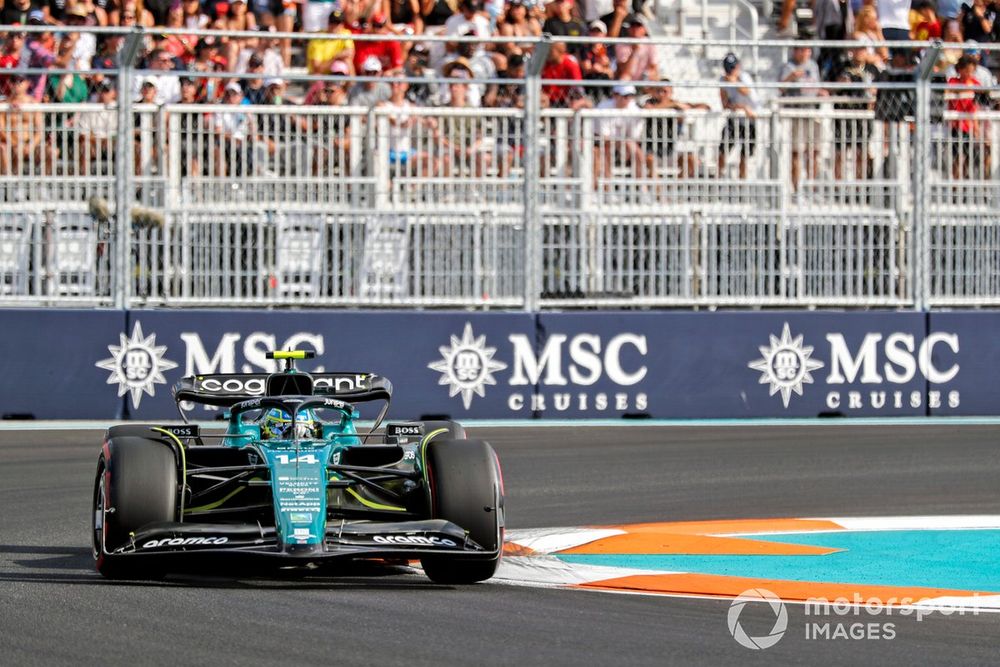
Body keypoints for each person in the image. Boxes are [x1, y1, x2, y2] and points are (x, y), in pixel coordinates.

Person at [779, 44, 826, 190]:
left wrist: (821, 92)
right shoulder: (789, 66)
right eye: (803, 49)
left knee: (814, 151)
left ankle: (811, 187)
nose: (806, 53)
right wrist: (791, 77)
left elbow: (815, 86)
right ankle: (796, 188)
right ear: (795, 51)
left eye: (808, 50)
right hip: (797, 113)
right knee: (797, 152)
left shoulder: (813, 66)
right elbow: (780, 87)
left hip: (813, 112)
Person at [643, 79, 709, 178]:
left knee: (693, 160)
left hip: (672, 149)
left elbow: (705, 107)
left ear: (671, 92)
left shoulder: (676, 104)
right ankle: (658, 187)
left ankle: (675, 185)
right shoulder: (650, 102)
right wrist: (673, 105)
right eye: (658, 91)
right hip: (652, 150)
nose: (661, 94)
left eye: (665, 91)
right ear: (654, 92)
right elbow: (649, 109)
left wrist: (686, 107)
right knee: (650, 160)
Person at [834, 48, 876, 181]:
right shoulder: (841, 66)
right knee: (840, 152)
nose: (859, 52)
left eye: (862, 49)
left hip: (863, 116)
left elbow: (877, 91)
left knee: (861, 152)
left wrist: (871, 89)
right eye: (856, 49)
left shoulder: (872, 69)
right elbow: (828, 87)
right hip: (843, 114)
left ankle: (860, 186)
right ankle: (839, 187)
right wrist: (840, 83)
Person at [717, 53, 759, 180]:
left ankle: (742, 182)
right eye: (728, 69)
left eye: (733, 68)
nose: (731, 71)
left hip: (749, 122)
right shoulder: (723, 80)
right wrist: (740, 107)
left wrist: (734, 82)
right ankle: (718, 179)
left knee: (744, 156)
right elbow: (725, 104)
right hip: (734, 120)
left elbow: (746, 91)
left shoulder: (744, 77)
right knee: (723, 151)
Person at [593, 84, 645, 183]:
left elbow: (634, 137)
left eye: (631, 96)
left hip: (622, 142)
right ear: (615, 95)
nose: (628, 99)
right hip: (600, 141)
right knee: (606, 149)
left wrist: (624, 143)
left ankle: (642, 187)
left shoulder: (635, 110)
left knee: (636, 151)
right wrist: (622, 142)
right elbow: (604, 137)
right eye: (625, 96)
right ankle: (608, 187)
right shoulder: (603, 107)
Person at [947, 54, 984, 179]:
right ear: (960, 69)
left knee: (969, 157)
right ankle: (955, 183)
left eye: (972, 71)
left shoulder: (975, 83)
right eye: (967, 71)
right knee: (958, 156)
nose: (969, 74)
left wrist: (977, 126)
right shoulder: (953, 81)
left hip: (970, 126)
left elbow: (979, 100)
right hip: (957, 126)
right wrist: (967, 89)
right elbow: (949, 92)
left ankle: (965, 181)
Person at [76, 79, 118, 175]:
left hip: (113, 144)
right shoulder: (90, 106)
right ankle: (84, 181)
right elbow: (83, 134)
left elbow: (121, 135)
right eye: (102, 90)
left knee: (129, 145)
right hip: (94, 144)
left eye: (107, 91)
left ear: (114, 93)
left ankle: (131, 182)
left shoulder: (118, 108)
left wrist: (106, 140)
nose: (104, 94)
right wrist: (99, 140)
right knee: (84, 146)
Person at [307, 9, 355, 75]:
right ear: (328, 23)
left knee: (347, 61)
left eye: (337, 23)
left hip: (334, 70)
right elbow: (317, 68)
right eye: (332, 22)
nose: (334, 26)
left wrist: (336, 58)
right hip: (322, 73)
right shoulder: (318, 38)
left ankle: (349, 81)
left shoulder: (345, 33)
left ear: (342, 25)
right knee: (317, 75)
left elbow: (350, 53)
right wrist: (335, 57)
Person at [614, 14, 658, 81]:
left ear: (645, 29)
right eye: (633, 25)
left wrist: (646, 76)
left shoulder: (650, 44)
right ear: (628, 29)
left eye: (638, 25)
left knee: (653, 76)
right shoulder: (621, 44)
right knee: (624, 77)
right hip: (628, 80)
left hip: (644, 79)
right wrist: (634, 52)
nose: (635, 29)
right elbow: (623, 71)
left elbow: (654, 67)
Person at [540, 41, 584, 108]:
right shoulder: (543, 63)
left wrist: (575, 100)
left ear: (560, 51)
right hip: (547, 100)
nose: (548, 53)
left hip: (566, 100)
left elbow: (578, 87)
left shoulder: (570, 63)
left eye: (551, 50)